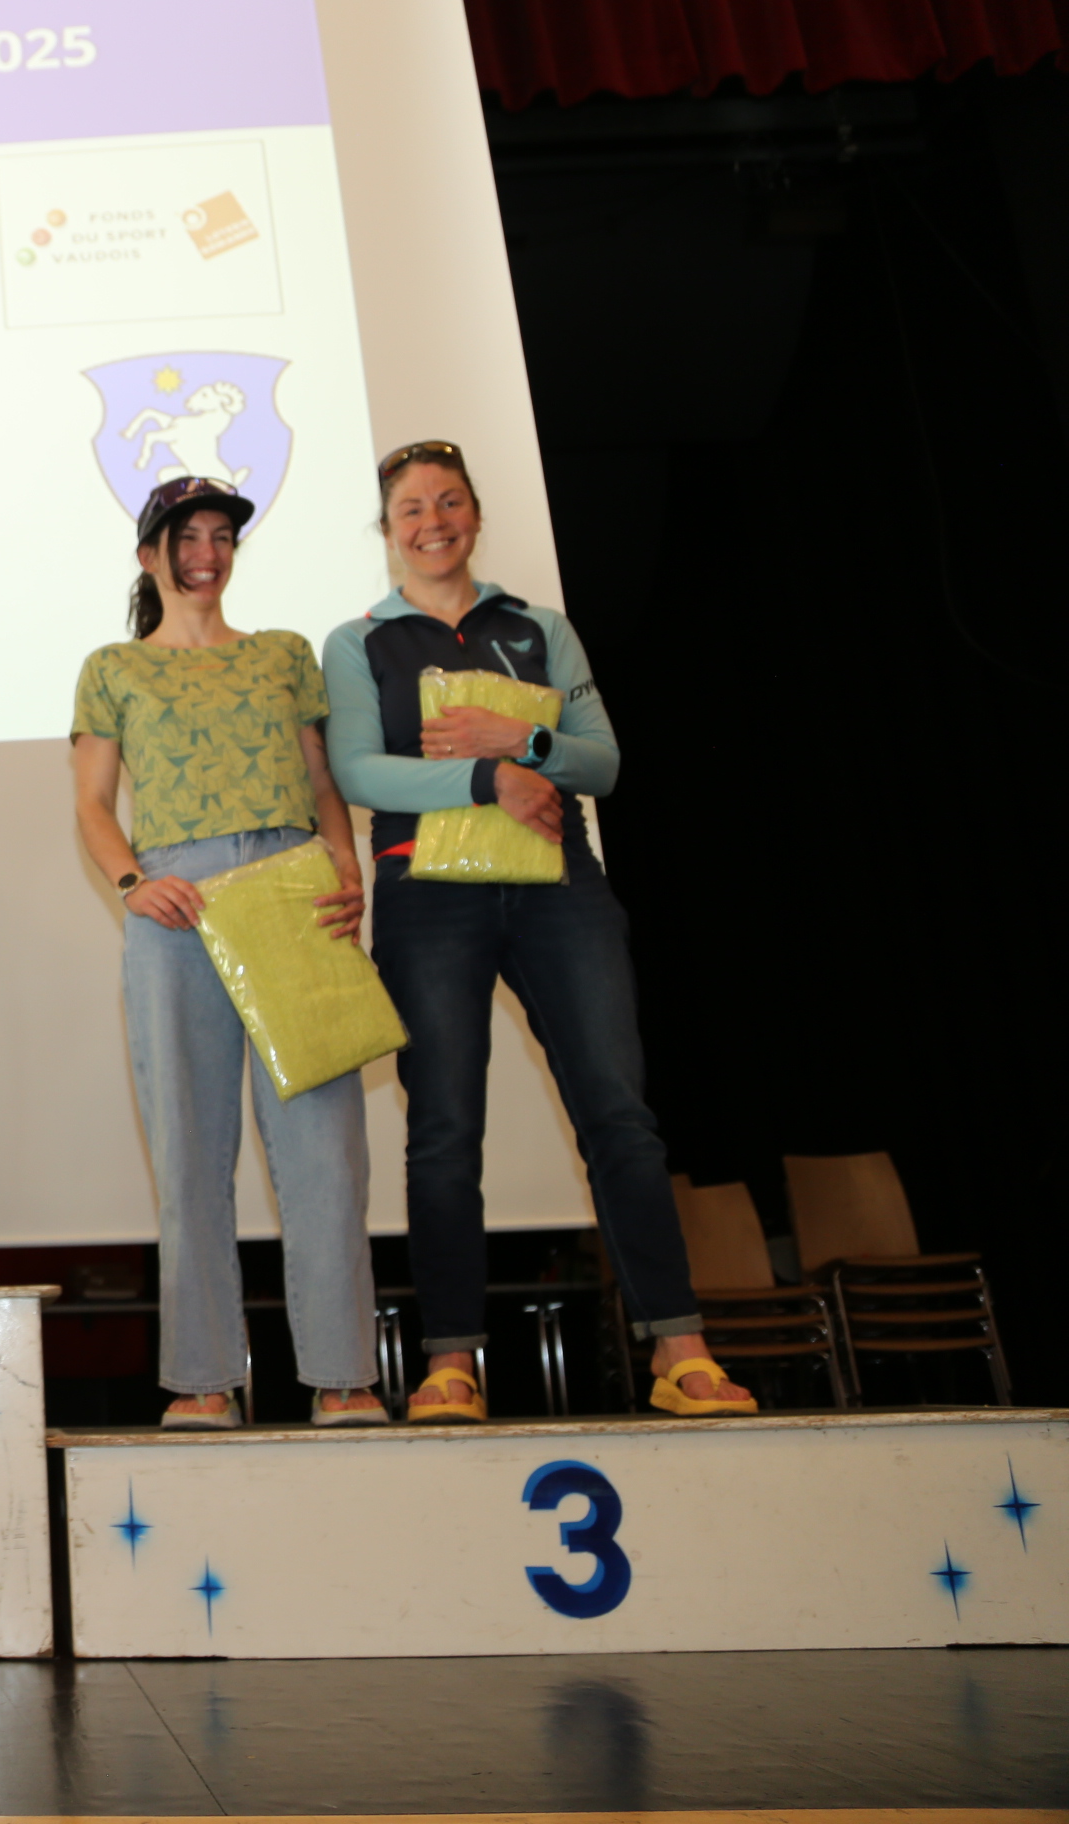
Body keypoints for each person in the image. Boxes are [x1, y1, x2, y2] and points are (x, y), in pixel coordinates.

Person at [323, 440, 754, 1420]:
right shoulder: (358, 643)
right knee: (443, 1131)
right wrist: (493, 778)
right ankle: (451, 1364)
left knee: (620, 1118)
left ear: (475, 513)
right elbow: (359, 772)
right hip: (428, 895)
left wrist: (519, 739)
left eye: (449, 502)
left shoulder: (539, 627)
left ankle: (680, 1350)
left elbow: (601, 763)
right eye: (411, 510)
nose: (433, 522)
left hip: (560, 888)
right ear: (387, 532)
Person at [71, 477, 385, 1429]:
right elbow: (92, 805)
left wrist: (344, 863)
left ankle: (344, 1375)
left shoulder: (285, 653)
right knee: (189, 1149)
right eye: (187, 537)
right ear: (150, 556)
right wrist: (133, 881)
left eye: (220, 536)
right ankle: (204, 1378)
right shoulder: (113, 667)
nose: (206, 553)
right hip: (179, 906)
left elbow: (322, 780)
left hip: (292, 890)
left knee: (326, 1151)